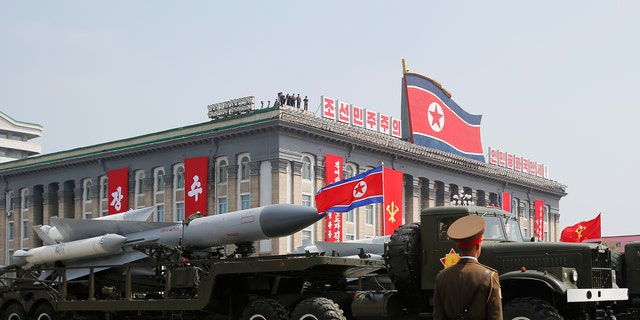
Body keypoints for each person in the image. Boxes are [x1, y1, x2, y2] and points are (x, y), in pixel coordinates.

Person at [433, 215, 503, 320]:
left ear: (459, 247)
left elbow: (438, 316)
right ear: (478, 246)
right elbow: (495, 316)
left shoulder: (441, 277)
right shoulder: (490, 277)